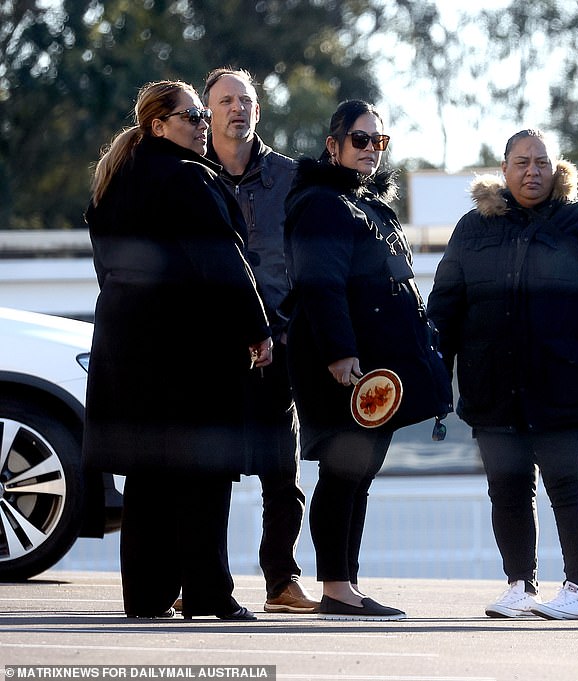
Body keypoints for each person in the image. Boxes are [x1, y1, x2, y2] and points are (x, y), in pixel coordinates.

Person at [426, 129, 578, 620]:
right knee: (507, 487)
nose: (532, 171)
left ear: (555, 167)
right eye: (521, 162)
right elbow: (446, 306)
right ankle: (519, 586)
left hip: (568, 384)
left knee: (569, 485)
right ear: (504, 170)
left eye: (541, 162)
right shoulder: (473, 228)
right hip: (493, 385)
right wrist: (442, 371)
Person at [83, 80, 273, 621]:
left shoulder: (113, 182)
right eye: (190, 116)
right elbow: (222, 263)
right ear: (158, 125)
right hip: (188, 352)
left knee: (147, 479)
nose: (200, 125)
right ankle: (209, 593)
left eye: (198, 116)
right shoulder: (188, 178)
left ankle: (144, 597)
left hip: (128, 351)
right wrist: (256, 330)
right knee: (202, 476)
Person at [283, 99, 423, 620]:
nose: (370, 150)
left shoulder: (366, 204)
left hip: (374, 367)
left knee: (358, 473)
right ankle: (337, 587)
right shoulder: (322, 202)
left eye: (378, 142)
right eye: (360, 140)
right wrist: (342, 354)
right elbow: (320, 284)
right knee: (343, 474)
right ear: (334, 144)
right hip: (341, 366)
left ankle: (347, 582)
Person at [201, 67, 319, 614]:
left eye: (245, 100)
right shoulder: (190, 176)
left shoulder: (292, 179)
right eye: (225, 101)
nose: (237, 109)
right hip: (213, 348)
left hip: (279, 341)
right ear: (208, 112)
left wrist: (291, 326)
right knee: (209, 472)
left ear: (258, 111)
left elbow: (311, 259)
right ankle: (203, 581)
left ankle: (281, 581)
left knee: (282, 472)